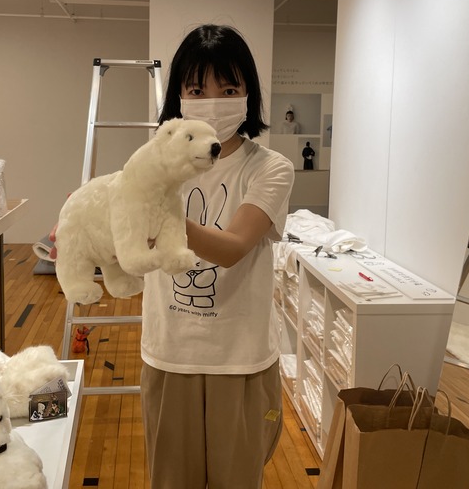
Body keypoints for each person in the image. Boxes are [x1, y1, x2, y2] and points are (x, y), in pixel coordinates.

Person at [49, 24, 294, 489]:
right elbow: (125, 230)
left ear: (249, 95)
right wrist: (95, 223)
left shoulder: (269, 168)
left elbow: (233, 248)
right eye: (197, 90)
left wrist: (153, 213)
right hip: (169, 353)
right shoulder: (153, 165)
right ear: (179, 96)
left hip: (240, 359)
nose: (212, 101)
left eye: (229, 89)